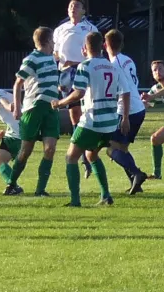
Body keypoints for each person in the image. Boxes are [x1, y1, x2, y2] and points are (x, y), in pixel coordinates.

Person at [52, 31, 131, 207]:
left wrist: (59, 103)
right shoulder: (113, 66)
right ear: (102, 46)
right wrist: (125, 118)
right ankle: (106, 195)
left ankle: (75, 200)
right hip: (110, 121)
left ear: (84, 48)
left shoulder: (85, 66)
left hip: (92, 120)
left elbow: (78, 93)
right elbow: (125, 92)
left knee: (71, 157)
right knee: (91, 154)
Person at [6, 26, 60, 196]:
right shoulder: (32, 59)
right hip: (33, 108)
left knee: (50, 148)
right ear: (47, 41)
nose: (54, 43)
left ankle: (40, 189)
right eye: (53, 39)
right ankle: (11, 183)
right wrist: (17, 107)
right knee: (25, 150)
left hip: (51, 108)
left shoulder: (52, 58)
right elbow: (18, 83)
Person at [53, 0, 98, 179]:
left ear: (83, 11)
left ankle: (90, 152)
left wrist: (78, 62)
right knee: (74, 113)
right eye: (70, 6)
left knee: (85, 110)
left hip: (82, 70)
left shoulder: (90, 29)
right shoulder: (60, 29)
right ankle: (84, 157)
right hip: (65, 73)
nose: (73, 8)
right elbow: (55, 51)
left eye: (77, 6)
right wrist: (59, 62)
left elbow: (94, 53)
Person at [104, 30, 147, 194]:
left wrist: (125, 117)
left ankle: (137, 174)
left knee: (110, 149)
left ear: (105, 45)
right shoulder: (128, 60)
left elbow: (125, 91)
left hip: (127, 110)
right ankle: (136, 183)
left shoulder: (114, 65)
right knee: (122, 149)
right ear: (122, 44)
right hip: (138, 109)